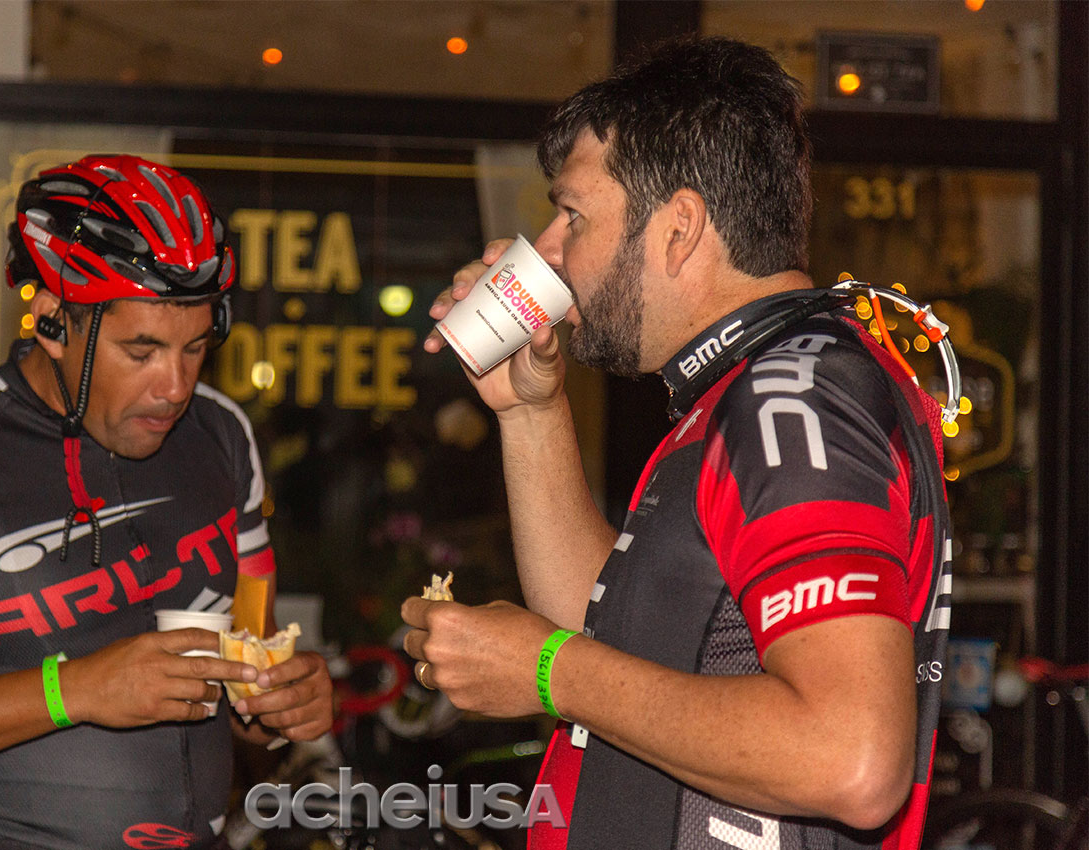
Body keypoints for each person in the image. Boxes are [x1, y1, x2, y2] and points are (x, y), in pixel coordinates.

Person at [403, 38, 951, 850]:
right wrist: (530, 411)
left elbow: (852, 758)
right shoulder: (749, 389)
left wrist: (548, 670)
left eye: (573, 216)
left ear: (679, 229)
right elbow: (619, 629)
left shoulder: (789, 395)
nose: (548, 249)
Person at [0, 154, 333, 849]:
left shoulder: (223, 434)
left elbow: (249, 662)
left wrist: (282, 701)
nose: (175, 385)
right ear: (53, 320)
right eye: (140, 351)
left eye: (196, 348)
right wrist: (73, 691)